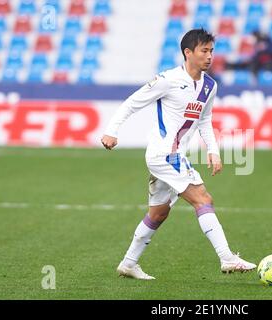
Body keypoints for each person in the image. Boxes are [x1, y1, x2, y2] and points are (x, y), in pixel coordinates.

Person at [101, 28, 256, 280]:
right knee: (203, 199)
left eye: (212, 51)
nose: (209, 56)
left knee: (158, 213)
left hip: (175, 156)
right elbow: (132, 102)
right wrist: (111, 131)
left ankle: (128, 264)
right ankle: (227, 258)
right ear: (188, 52)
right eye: (204, 51)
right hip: (164, 154)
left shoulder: (209, 86)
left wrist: (213, 152)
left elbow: (205, 120)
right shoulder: (167, 80)